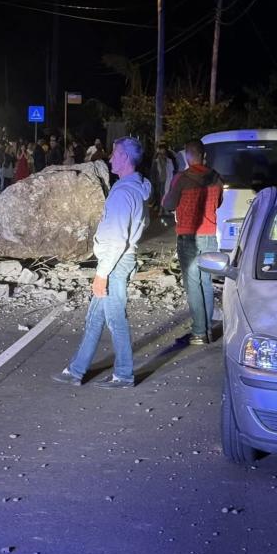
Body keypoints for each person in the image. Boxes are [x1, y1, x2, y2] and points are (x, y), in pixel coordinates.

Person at [52, 137, 152, 389]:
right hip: (117, 261)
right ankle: (76, 371)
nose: (110, 158)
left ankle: (124, 374)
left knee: (115, 319)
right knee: (95, 318)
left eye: (115, 154)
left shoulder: (123, 194)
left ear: (126, 158)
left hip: (114, 263)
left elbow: (117, 240)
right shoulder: (137, 189)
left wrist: (102, 274)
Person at [162, 138, 223, 346]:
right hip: (209, 237)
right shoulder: (216, 178)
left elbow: (169, 204)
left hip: (189, 236)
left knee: (193, 284)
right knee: (206, 283)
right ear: (204, 155)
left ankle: (199, 332)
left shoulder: (181, 179)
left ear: (187, 156)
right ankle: (206, 330)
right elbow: (219, 202)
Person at [150, 139, 175, 218]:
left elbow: (173, 166)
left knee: (166, 195)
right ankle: (161, 210)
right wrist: (153, 181)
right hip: (160, 180)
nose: (162, 150)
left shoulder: (169, 157)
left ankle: (164, 210)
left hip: (167, 179)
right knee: (161, 195)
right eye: (161, 148)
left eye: (163, 148)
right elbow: (153, 171)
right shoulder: (156, 159)